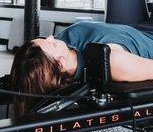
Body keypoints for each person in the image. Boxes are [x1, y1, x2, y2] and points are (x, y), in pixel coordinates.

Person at [10, 21, 153, 115]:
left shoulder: (68, 37)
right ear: (61, 64)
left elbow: (32, 66)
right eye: (51, 43)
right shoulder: (114, 62)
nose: (51, 37)